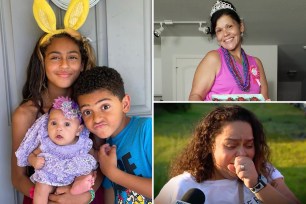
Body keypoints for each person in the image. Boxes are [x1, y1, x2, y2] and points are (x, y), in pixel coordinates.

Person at [11, 0, 104, 203]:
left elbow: (100, 162)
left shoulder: (91, 108)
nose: (64, 65)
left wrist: (83, 197)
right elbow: (18, 177)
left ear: (82, 63)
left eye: (72, 57)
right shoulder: (25, 114)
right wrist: (48, 197)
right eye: (55, 57)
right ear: (42, 62)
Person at [155, 105, 300, 204]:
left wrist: (257, 185)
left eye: (249, 145)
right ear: (210, 146)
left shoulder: (264, 170)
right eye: (231, 146)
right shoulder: (182, 186)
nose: (242, 154)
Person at [73, 66, 152, 204]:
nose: (96, 118)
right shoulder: (105, 149)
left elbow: (162, 188)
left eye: (105, 107)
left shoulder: (146, 129)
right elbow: (110, 194)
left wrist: (112, 173)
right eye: (87, 112)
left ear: (125, 104)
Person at [15, 97, 97, 204]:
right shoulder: (46, 143)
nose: (59, 128)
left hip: (72, 178)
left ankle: (79, 185)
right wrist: (34, 161)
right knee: (41, 187)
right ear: (47, 125)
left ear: (78, 130)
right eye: (53, 123)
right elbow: (32, 155)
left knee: (86, 168)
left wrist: (95, 163)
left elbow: (93, 156)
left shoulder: (82, 143)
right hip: (50, 177)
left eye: (67, 124)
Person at [189, 0, 269, 101]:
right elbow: (195, 96)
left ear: (241, 26)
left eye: (229, 26)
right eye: (219, 30)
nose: (225, 33)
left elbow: (265, 101)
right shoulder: (213, 58)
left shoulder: (256, 63)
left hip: (246, 117)